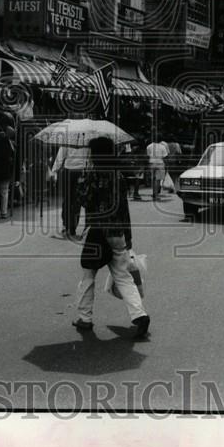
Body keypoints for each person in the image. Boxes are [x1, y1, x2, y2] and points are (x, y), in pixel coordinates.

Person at [72, 137, 150, 338]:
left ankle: (85, 318)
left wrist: (81, 180)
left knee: (88, 275)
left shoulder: (93, 174)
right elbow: (124, 208)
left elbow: (84, 200)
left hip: (98, 231)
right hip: (117, 232)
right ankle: (139, 315)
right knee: (123, 276)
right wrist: (128, 236)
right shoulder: (118, 176)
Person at [50, 143, 91, 239]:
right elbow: (89, 157)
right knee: (77, 201)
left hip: (68, 171)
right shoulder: (87, 139)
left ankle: (66, 226)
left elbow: (61, 155)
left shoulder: (68, 137)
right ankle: (72, 228)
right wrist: (88, 170)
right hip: (81, 171)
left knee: (67, 199)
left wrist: (54, 171)